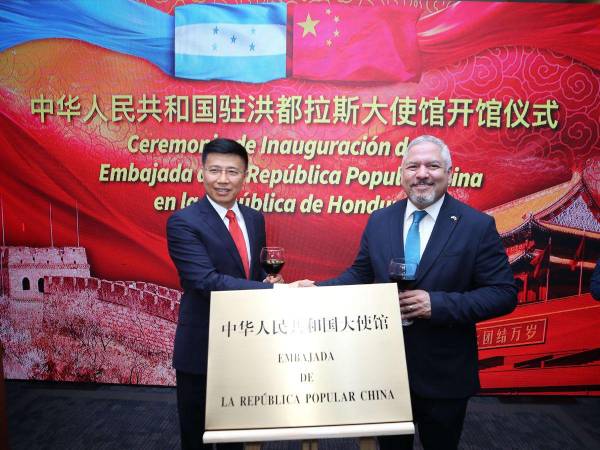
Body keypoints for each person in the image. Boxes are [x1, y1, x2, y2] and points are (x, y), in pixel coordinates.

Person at [316, 135, 518, 450]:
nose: (422, 173)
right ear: (402, 173)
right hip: (386, 372)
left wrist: (436, 304)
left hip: (444, 374)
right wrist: (312, 290)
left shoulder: (475, 226)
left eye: (432, 165)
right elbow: (359, 275)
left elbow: (503, 293)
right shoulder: (381, 220)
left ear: (449, 173)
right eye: (413, 166)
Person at [166, 138, 280, 450]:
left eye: (232, 171)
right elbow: (205, 282)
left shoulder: (254, 218)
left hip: (246, 345)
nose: (223, 179)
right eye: (215, 170)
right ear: (201, 172)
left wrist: (268, 279)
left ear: (245, 175)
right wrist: (269, 290)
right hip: (202, 347)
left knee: (238, 436)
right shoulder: (183, 222)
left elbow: (252, 273)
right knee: (197, 436)